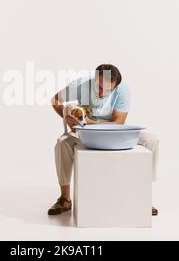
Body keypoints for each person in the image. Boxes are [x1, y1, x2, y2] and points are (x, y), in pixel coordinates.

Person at [48, 64, 159, 216]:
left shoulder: (123, 90)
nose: (101, 93)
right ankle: (65, 199)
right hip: (84, 134)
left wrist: (89, 122)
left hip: (112, 134)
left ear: (115, 87)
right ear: (94, 79)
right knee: (62, 143)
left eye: (107, 90)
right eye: (99, 87)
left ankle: (144, 197)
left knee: (151, 140)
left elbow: (119, 122)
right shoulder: (80, 85)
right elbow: (55, 100)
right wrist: (67, 118)